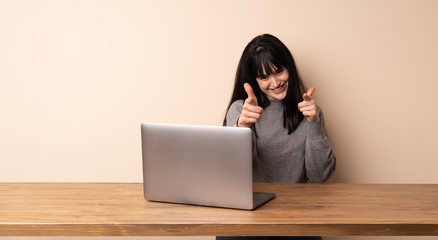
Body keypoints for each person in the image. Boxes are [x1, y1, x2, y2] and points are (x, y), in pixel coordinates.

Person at [218, 34, 336, 240]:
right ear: (253, 80)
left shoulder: (309, 111)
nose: (275, 82)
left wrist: (314, 123)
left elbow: (319, 177)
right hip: (247, 215)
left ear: (288, 67)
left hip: (295, 215)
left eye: (279, 71)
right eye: (264, 77)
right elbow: (230, 175)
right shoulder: (240, 111)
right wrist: (242, 128)